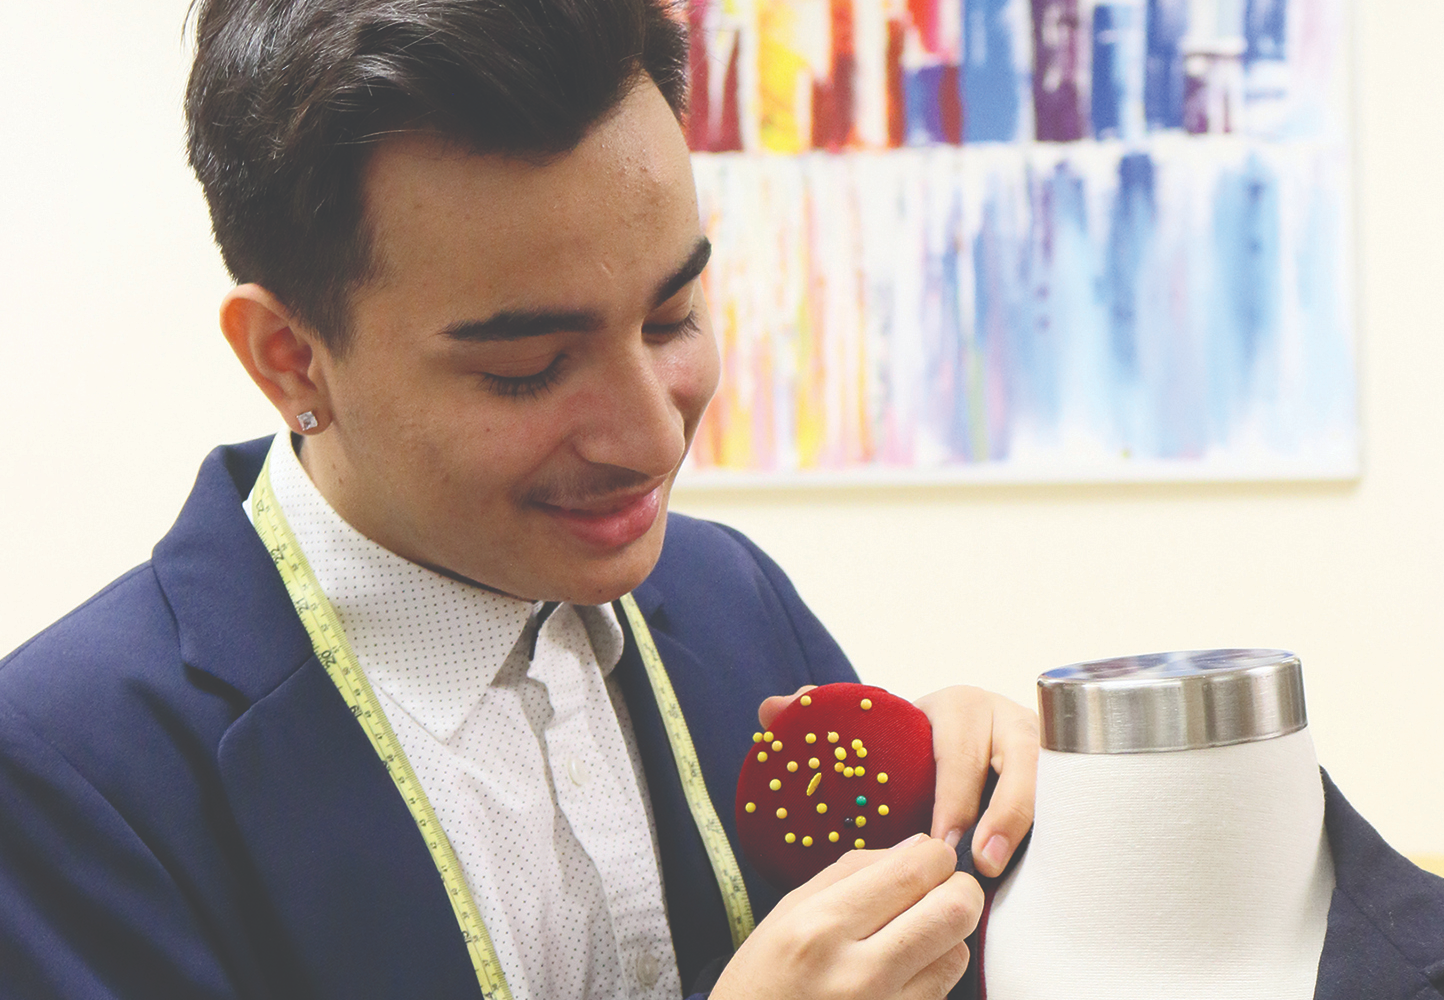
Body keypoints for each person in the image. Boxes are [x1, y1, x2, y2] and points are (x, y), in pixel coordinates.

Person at [0, 2, 1040, 998]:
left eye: (672, 317)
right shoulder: (64, 773)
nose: (654, 438)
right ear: (291, 363)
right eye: (530, 368)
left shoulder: (729, 596)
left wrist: (1007, 861)